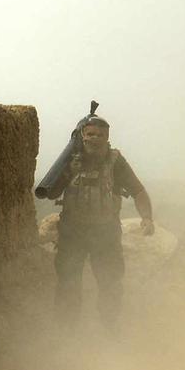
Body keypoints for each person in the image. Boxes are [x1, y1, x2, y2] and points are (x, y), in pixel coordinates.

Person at [45, 114, 154, 334]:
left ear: (107, 138)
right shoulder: (71, 159)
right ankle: (66, 333)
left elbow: (138, 190)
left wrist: (147, 217)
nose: (94, 139)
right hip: (73, 232)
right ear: (82, 136)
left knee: (110, 283)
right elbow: (51, 192)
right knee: (68, 282)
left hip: (105, 233)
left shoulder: (115, 162)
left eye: (100, 135)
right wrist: (69, 172)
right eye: (90, 134)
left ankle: (109, 328)